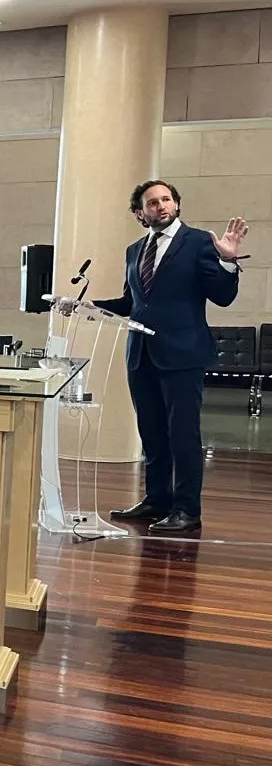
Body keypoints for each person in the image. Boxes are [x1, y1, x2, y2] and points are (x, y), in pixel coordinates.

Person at [93, 181, 248, 534]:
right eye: (152, 202)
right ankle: (156, 500)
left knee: (183, 436)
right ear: (140, 213)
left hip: (182, 355)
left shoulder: (198, 243)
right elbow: (132, 303)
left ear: (177, 205)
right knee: (151, 433)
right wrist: (87, 306)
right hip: (141, 354)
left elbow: (223, 296)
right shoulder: (134, 250)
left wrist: (227, 260)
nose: (161, 206)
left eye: (167, 199)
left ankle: (187, 510)